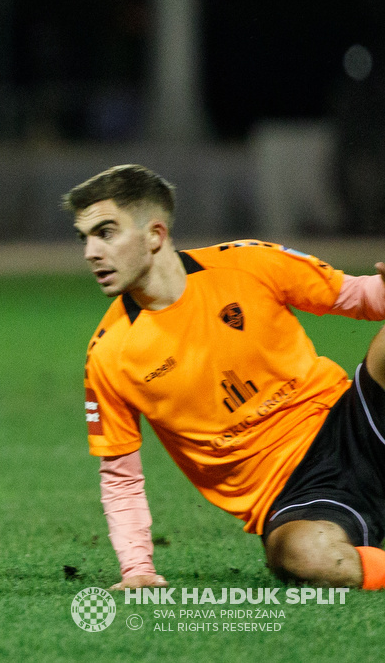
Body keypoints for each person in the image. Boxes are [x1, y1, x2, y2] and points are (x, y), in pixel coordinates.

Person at [68, 164, 385, 591]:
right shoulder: (109, 355)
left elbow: (357, 296)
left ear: (155, 235)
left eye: (105, 232)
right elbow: (120, 475)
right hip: (294, 495)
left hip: (353, 420)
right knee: (304, 555)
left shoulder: (246, 263)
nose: (90, 251)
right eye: (84, 237)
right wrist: (137, 568)